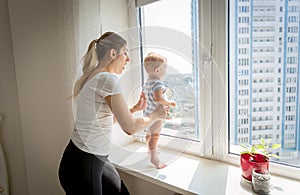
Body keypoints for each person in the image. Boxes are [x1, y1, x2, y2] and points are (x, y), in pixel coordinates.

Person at [58, 32, 167, 195]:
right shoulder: (107, 79)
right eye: (125, 52)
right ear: (113, 53)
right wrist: (155, 115)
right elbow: (130, 128)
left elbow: (103, 119)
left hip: (83, 158)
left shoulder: (93, 76)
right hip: (84, 165)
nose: (128, 59)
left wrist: (133, 109)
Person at [142, 52, 176, 169]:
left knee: (149, 134)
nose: (165, 71)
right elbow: (158, 98)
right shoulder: (158, 83)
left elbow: (147, 98)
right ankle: (154, 158)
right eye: (164, 68)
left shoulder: (147, 83)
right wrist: (169, 103)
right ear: (157, 70)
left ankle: (149, 150)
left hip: (148, 113)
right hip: (156, 116)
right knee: (155, 136)